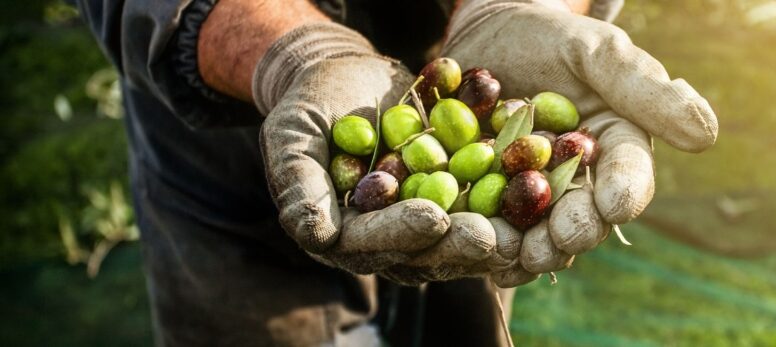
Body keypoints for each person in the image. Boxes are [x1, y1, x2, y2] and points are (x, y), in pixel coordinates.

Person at [76, 0, 718, 345]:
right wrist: (298, 53)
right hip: (228, 130)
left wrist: (516, 6)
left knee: (465, 291)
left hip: (448, 84)